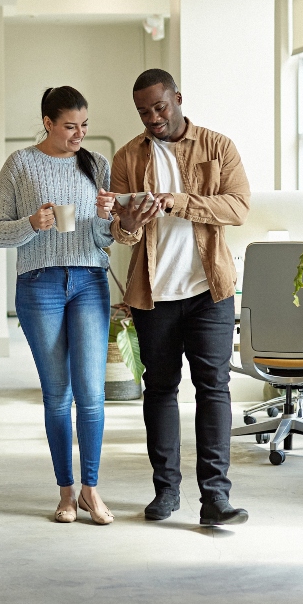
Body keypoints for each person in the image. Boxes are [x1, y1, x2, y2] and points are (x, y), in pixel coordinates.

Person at [110, 68, 251, 527]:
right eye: (144, 111)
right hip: (154, 293)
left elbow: (238, 207)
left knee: (214, 388)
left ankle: (216, 498)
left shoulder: (218, 146)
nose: (152, 117)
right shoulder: (129, 156)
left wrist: (177, 201)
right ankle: (165, 492)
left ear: (177, 98)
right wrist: (130, 219)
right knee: (160, 390)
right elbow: (122, 235)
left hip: (209, 289)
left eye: (160, 107)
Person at [0, 86, 117, 525]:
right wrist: (31, 223)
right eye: (69, 126)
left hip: (89, 281)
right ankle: (65, 493)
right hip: (39, 284)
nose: (79, 133)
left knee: (92, 394)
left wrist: (104, 219)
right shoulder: (21, 164)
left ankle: (91, 492)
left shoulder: (97, 164)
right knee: (58, 395)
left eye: (84, 125)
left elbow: (105, 241)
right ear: (47, 122)